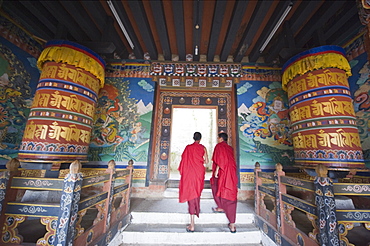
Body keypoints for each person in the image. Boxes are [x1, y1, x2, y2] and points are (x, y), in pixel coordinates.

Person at [178, 132, 209, 232]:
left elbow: (183, 160)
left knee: (191, 194)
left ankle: (192, 225)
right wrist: (200, 161)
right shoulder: (203, 148)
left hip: (190, 173)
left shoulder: (188, 148)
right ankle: (197, 209)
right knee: (196, 193)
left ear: (193, 138)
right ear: (200, 139)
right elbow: (207, 161)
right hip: (199, 173)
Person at [210, 132, 238, 233]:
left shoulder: (219, 146)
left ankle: (222, 207)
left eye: (218, 138)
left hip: (223, 172)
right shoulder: (230, 148)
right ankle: (231, 223)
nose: (218, 140)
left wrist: (217, 169)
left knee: (218, 187)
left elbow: (220, 161)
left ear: (221, 139)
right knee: (230, 192)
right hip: (231, 172)